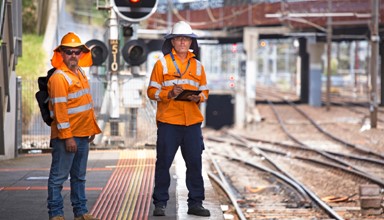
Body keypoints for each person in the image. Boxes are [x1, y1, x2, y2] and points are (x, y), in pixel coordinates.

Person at [147, 21, 210, 217]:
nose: (183, 42)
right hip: (169, 122)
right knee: (163, 164)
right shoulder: (162, 64)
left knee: (195, 164)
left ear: (191, 41)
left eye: (186, 38)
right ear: (172, 41)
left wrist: (197, 97)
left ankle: (196, 203)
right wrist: (170, 93)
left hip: (191, 123)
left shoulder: (198, 66)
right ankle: (160, 204)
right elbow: (151, 92)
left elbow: (205, 92)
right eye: (179, 38)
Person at [47, 32, 102, 220]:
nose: (73, 55)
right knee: (58, 178)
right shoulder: (59, 78)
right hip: (67, 137)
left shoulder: (80, 73)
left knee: (79, 177)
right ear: (61, 53)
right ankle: (56, 214)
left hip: (83, 134)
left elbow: (86, 103)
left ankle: (81, 212)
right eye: (68, 51)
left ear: (81, 54)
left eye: (76, 52)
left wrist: (91, 128)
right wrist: (68, 137)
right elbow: (60, 111)